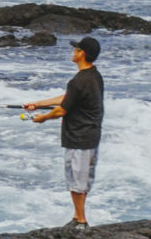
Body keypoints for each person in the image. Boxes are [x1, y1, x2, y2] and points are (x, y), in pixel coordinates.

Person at [24, 36, 104, 225]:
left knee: (76, 181)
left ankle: (81, 221)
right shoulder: (94, 75)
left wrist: (42, 118)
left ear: (81, 54)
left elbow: (62, 110)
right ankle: (78, 217)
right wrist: (38, 104)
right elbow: (69, 98)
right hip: (91, 135)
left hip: (79, 137)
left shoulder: (78, 81)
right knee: (82, 180)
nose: (72, 52)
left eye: (75, 49)